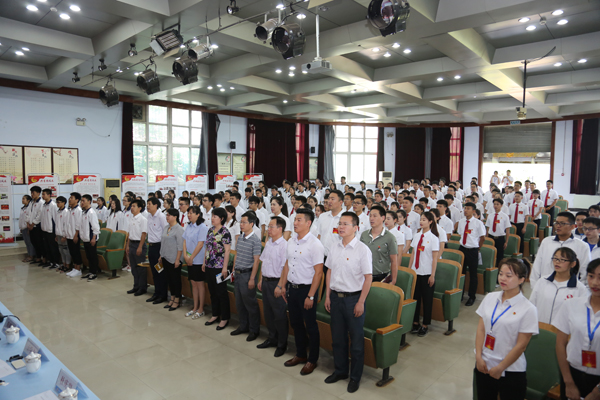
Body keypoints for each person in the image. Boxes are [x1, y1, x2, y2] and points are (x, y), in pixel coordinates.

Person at [474, 258, 538, 400]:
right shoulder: (490, 297)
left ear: (521, 280)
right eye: (501, 274)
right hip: (484, 364)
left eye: (508, 276)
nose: (502, 278)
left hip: (510, 370)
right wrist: (478, 356)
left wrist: (500, 367)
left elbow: (521, 345)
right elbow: (481, 329)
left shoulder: (528, 309)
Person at [323, 212, 372, 393]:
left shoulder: (362, 249)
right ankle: (340, 371)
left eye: (345, 224)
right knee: (338, 339)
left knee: (356, 342)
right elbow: (329, 271)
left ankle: (355, 377)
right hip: (336, 298)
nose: (341, 227)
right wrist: (328, 296)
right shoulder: (335, 247)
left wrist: (361, 302)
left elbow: (368, 278)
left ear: (355, 228)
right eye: (340, 224)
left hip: (353, 299)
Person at [277, 208, 324, 375]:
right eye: (295, 220)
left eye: (299, 220)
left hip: (307, 290)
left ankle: (313, 359)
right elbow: (287, 264)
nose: (295, 223)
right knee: (296, 323)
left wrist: (311, 295)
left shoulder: (315, 244)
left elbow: (319, 272)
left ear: (308, 223)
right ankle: (301, 354)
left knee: (310, 325)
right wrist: (283, 285)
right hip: (293, 287)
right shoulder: (291, 241)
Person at [554, 259, 600, 400]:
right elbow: (560, 344)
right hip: (572, 374)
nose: (595, 282)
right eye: (591, 276)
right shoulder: (571, 305)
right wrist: (568, 382)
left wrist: (597, 392)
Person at [530, 212, 591, 288]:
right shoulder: (546, 242)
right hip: (545, 285)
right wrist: (535, 286)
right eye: (557, 223)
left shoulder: (582, 246)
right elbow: (537, 266)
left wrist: (579, 289)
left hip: (569, 288)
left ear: (572, 226)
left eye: (562, 223)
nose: (558, 226)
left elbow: (585, 271)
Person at [257, 216, 289, 356]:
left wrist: (280, 286)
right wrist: (260, 279)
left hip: (276, 283)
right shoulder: (269, 242)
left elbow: (285, 269)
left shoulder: (284, 245)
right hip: (265, 281)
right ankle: (272, 338)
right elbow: (263, 261)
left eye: (271, 227)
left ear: (280, 229)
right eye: (268, 227)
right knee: (268, 313)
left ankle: (282, 344)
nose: (268, 229)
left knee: (279, 315)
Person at [530, 248, 588, 324]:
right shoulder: (542, 281)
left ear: (573, 264)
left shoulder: (580, 289)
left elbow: (580, 316)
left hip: (563, 330)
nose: (557, 262)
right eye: (555, 258)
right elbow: (531, 305)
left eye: (562, 260)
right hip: (540, 327)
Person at [229, 211, 262, 341]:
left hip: (247, 274)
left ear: (251, 224)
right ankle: (243, 326)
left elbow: (256, 261)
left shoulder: (255, 240)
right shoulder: (241, 237)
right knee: (239, 303)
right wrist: (233, 270)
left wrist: (252, 278)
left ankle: (254, 330)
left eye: (244, 222)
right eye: (241, 222)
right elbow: (236, 255)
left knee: (250, 304)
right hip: (237, 273)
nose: (241, 225)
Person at [408, 211, 440, 337]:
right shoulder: (417, 236)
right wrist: (409, 270)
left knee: (427, 300)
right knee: (415, 298)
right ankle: (415, 322)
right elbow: (413, 254)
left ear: (430, 222)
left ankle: (425, 324)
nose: (421, 222)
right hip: (416, 273)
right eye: (420, 219)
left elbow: (435, 259)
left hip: (426, 273)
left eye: (424, 220)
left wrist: (432, 275)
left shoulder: (433, 238)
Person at [204, 207, 232, 331]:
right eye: (212, 216)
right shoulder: (210, 230)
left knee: (221, 293)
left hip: (219, 267)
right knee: (213, 292)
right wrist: (204, 262)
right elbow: (207, 247)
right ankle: (215, 314)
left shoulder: (225, 232)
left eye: (215, 216)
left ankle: (224, 318)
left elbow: (227, 250)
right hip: (209, 265)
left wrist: (224, 268)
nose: (212, 218)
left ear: (221, 218)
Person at [458, 202, 487, 306]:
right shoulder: (461, 221)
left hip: (473, 250)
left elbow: (482, 238)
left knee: (473, 274)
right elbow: (461, 234)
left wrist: (478, 248)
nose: (465, 210)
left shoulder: (478, 223)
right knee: (461, 273)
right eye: (465, 208)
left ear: (474, 211)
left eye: (468, 208)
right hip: (462, 249)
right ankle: (460, 294)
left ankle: (471, 296)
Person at [360, 205, 398, 284]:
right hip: (364, 276)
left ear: (383, 218)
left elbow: (394, 261)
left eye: (375, 216)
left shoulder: (390, 237)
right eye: (370, 216)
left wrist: (394, 280)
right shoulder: (364, 235)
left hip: (381, 277)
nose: (371, 218)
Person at [183, 206, 209, 319]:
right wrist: (185, 255)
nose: (189, 215)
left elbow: (200, 244)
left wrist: (191, 257)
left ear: (198, 214)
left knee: (199, 284)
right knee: (193, 283)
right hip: (189, 259)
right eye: (188, 213)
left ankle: (201, 309)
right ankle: (194, 307)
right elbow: (184, 241)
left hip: (198, 260)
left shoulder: (202, 227)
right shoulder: (188, 226)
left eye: (191, 213)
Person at [159, 208, 184, 311]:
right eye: (167, 215)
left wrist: (177, 259)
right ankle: (172, 298)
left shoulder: (179, 229)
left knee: (175, 280)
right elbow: (163, 242)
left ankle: (177, 299)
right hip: (165, 257)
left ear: (175, 217)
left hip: (174, 259)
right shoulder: (166, 227)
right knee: (169, 279)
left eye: (169, 215)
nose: (167, 217)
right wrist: (161, 255)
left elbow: (180, 246)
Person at [146, 197, 168, 304]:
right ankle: (156, 293)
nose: (147, 206)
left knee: (161, 272)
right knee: (154, 272)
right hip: (151, 247)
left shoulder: (161, 216)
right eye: (147, 204)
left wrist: (162, 252)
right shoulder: (149, 216)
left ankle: (163, 295)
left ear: (155, 205)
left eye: (149, 204)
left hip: (159, 247)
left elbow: (166, 234)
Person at [318, 190, 344, 271]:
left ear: (340, 202)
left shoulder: (345, 218)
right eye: (329, 199)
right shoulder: (322, 216)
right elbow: (319, 235)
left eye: (332, 199)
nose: (329, 201)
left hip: (337, 258)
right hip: (321, 257)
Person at [126, 199, 148, 295]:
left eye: (134, 206)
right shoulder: (131, 218)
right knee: (134, 268)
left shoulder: (143, 219)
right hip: (132, 244)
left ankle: (142, 288)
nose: (132, 208)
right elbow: (129, 233)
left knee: (141, 268)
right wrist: (127, 246)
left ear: (139, 208)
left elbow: (144, 234)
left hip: (139, 244)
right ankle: (136, 286)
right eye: (131, 206)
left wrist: (140, 247)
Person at [78, 194, 101, 281]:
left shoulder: (91, 212)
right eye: (81, 201)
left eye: (83, 201)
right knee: (88, 256)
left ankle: (94, 273)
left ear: (89, 201)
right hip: (85, 238)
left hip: (91, 239)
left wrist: (94, 238)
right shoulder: (84, 212)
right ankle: (90, 271)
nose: (82, 202)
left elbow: (95, 227)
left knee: (92, 256)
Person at [486, 198, 511, 267]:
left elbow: (507, 230)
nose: (495, 206)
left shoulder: (505, 216)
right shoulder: (490, 215)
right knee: (490, 255)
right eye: (494, 204)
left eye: (497, 204)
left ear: (501, 205)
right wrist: (487, 238)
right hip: (491, 237)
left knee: (500, 256)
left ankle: (499, 270)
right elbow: (488, 228)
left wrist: (506, 241)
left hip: (500, 238)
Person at [40, 189, 60, 269]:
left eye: (44, 194)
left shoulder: (53, 205)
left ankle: (56, 262)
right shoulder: (44, 205)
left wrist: (55, 232)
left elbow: (55, 219)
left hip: (51, 230)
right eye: (42, 194)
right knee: (47, 247)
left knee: (53, 247)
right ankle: (50, 261)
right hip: (44, 230)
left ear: (49, 195)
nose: (42, 196)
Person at [66, 193, 83, 277]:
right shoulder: (69, 209)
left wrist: (76, 235)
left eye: (72, 198)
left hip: (75, 235)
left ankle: (78, 269)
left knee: (76, 252)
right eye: (70, 198)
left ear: (77, 200)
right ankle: (75, 268)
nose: (70, 199)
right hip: (69, 234)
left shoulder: (78, 210)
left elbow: (78, 224)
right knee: (72, 252)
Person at [19, 195, 35, 262]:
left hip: (27, 227)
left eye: (24, 199)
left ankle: (31, 256)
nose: (22, 200)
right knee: (26, 242)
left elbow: (30, 218)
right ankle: (29, 255)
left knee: (29, 242)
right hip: (23, 228)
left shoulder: (30, 208)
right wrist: (20, 227)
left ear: (28, 200)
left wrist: (29, 228)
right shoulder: (22, 208)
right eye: (22, 199)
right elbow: (21, 219)